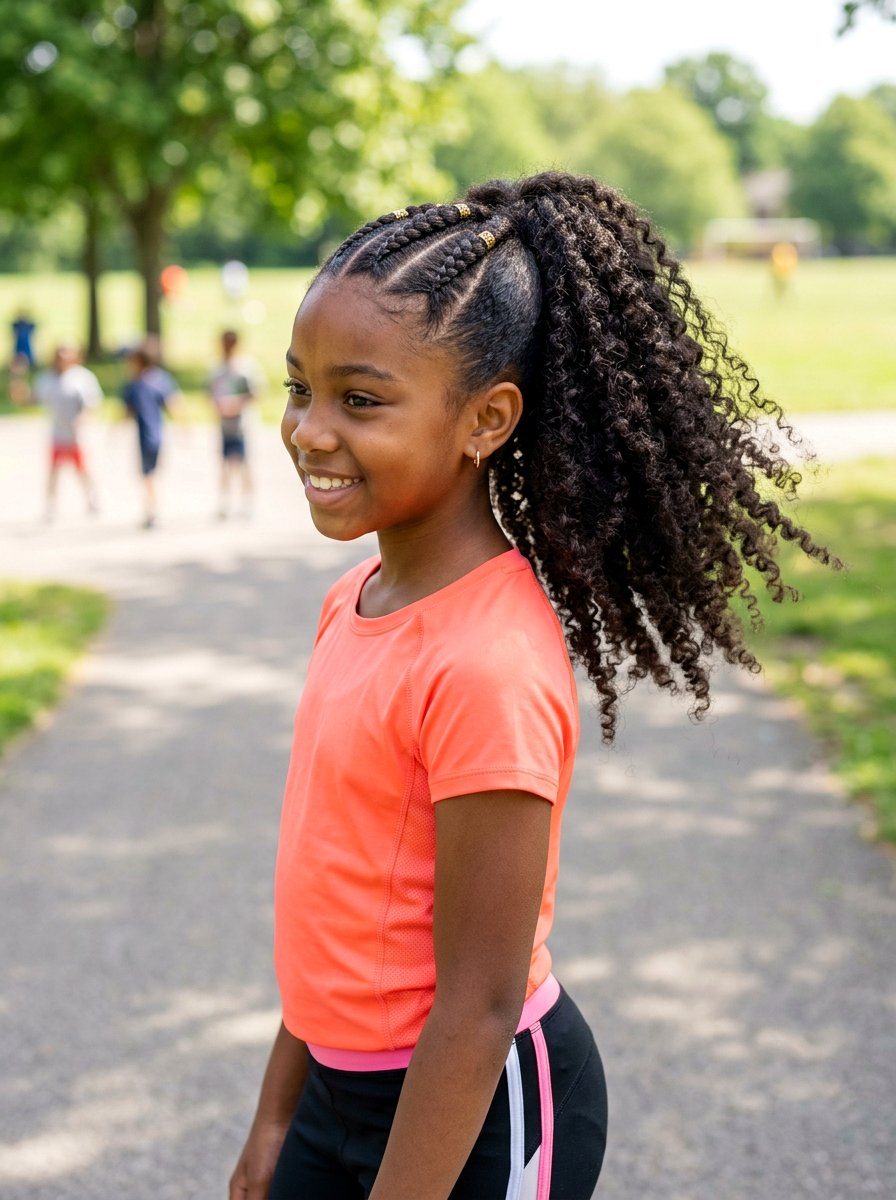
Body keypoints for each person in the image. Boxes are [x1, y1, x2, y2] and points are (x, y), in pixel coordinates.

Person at [230, 172, 837, 1200]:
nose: (309, 430)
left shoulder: (487, 661)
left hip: (474, 1108)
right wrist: (275, 1118)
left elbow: (478, 1001)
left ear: (487, 418)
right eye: (299, 388)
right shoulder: (351, 603)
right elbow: (335, 902)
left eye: (360, 400)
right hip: (336, 1093)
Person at [33, 343, 101, 520]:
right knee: (53, 471)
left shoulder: (83, 377)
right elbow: (35, 399)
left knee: (83, 468)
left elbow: (92, 403)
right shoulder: (47, 378)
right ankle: (51, 504)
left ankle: (92, 499)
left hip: (78, 434)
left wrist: (82, 420)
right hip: (57, 433)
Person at [121, 342, 178, 529]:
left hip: (146, 436)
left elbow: (127, 411)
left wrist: (115, 429)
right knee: (150, 474)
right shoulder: (160, 379)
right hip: (157, 434)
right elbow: (173, 403)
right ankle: (152, 510)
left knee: (148, 475)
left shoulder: (136, 385)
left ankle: (152, 512)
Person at [207, 329, 261, 518]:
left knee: (245, 463)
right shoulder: (216, 368)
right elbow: (209, 393)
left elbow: (256, 393)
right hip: (224, 424)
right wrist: (219, 405)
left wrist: (236, 404)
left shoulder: (246, 367)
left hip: (242, 424)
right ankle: (225, 501)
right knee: (224, 464)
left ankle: (248, 501)